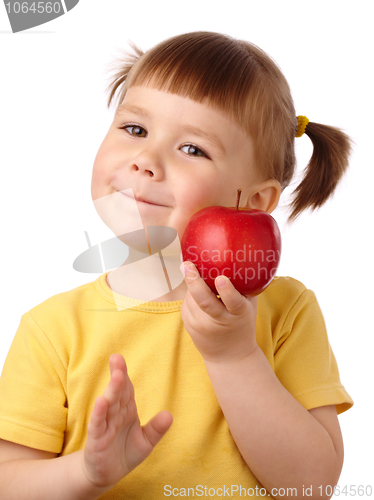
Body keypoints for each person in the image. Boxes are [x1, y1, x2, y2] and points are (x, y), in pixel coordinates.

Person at [0, 31, 353, 500]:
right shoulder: (54, 329)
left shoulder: (285, 312)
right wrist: (85, 473)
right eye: (135, 129)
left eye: (192, 149)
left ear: (254, 201)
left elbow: (310, 487)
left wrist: (235, 357)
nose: (146, 160)